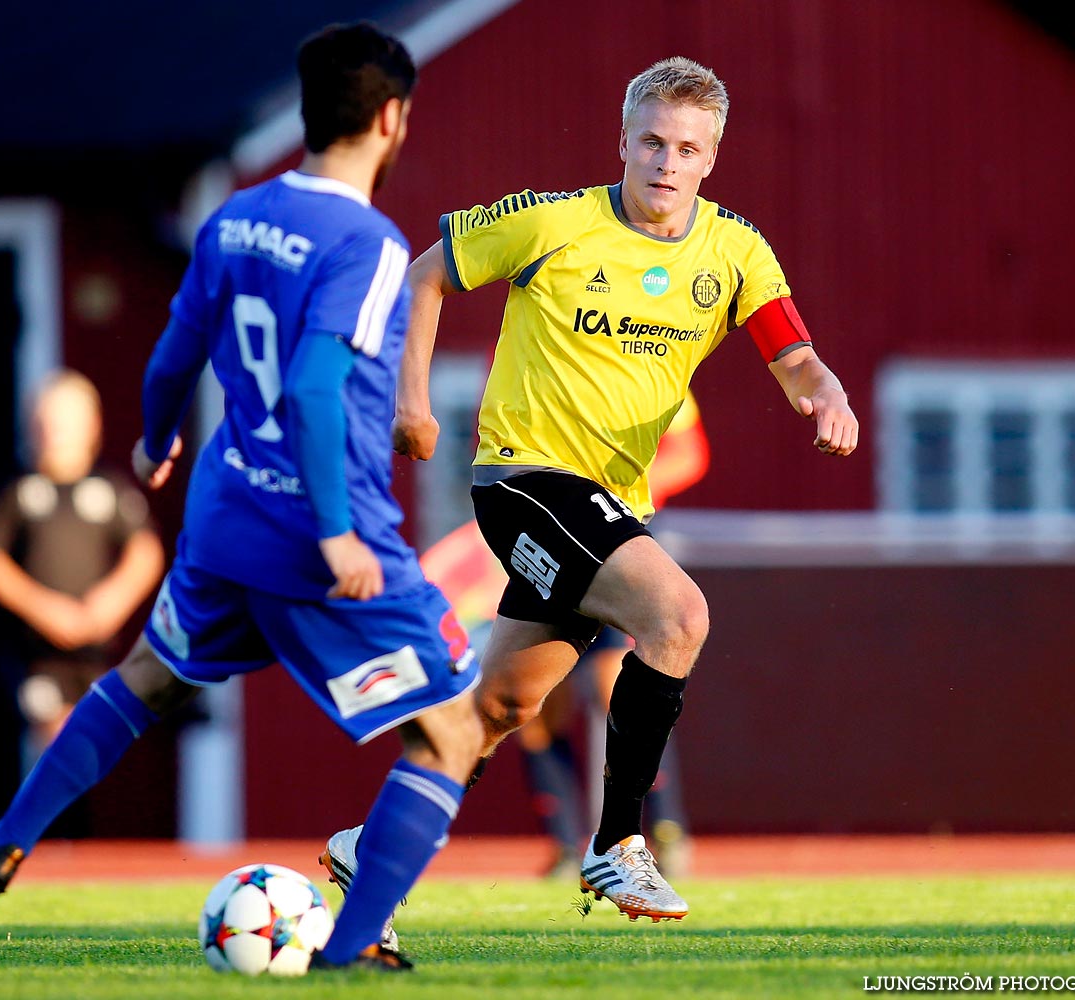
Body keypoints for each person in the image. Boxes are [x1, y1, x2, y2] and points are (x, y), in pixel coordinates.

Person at [0, 22, 482, 974]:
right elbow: (313, 388)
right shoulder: (373, 246)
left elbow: (175, 348)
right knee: (453, 730)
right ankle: (348, 952)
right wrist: (341, 537)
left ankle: (0, 840)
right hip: (319, 538)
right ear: (393, 119)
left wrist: (152, 435)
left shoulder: (234, 217)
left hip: (224, 520)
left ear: (310, 114)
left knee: (144, 677)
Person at [322, 54, 858, 932]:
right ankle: (617, 844)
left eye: (687, 148)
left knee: (502, 706)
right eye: (652, 141)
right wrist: (410, 399)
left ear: (711, 157)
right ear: (623, 142)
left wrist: (823, 392)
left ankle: (371, 846)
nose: (667, 163)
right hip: (524, 480)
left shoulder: (734, 251)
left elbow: (791, 351)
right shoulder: (552, 224)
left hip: (613, 504)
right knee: (678, 616)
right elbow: (427, 272)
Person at [517, 391, 709, 880]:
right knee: (532, 702)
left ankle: (658, 830)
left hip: (618, 538)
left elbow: (688, 454)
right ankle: (565, 843)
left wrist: (615, 492)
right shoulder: (530, 363)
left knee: (616, 688)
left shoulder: (649, 361)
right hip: (550, 531)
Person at [0, 370, 165, 803]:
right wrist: (45, 609)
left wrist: (108, 605)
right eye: (47, 421)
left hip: (95, 651)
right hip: (37, 654)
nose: (55, 432)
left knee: (96, 738)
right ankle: (47, 841)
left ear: (92, 426)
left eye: (66, 421)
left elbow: (145, 552)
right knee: (55, 739)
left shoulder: (108, 490)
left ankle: (84, 845)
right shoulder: (20, 493)